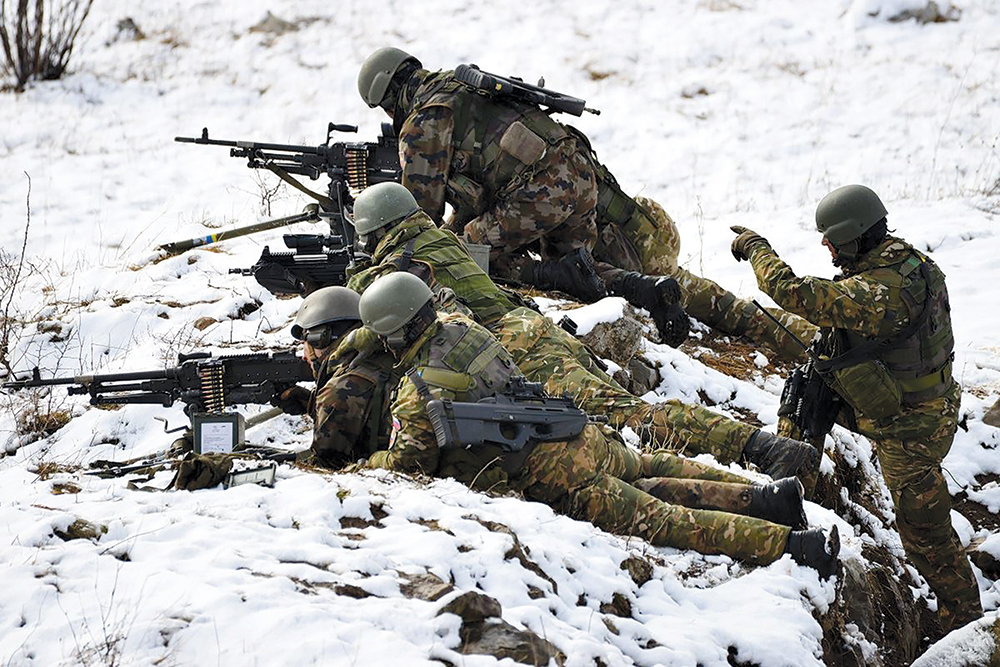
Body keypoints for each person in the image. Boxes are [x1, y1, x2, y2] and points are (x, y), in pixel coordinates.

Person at [357, 271, 839, 573]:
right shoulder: (465, 330)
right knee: (652, 472)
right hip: (577, 431)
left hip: (555, 472)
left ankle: (794, 548)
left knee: (664, 520)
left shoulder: (417, 389)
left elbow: (406, 464)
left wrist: (366, 458)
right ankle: (768, 497)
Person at [346, 182, 820, 485]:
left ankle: (764, 449)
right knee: (622, 415)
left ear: (373, 232)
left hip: (509, 349)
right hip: (528, 327)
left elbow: (365, 328)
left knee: (631, 417)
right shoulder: (439, 239)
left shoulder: (392, 268)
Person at [730, 184, 982, 632]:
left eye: (831, 238)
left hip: (910, 430)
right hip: (924, 404)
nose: (825, 245)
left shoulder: (880, 293)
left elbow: (793, 293)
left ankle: (966, 627)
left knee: (927, 537)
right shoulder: (907, 261)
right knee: (807, 389)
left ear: (855, 235)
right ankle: (790, 493)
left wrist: (756, 248)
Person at [357, 47, 689, 346]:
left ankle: (552, 274)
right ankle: (646, 289)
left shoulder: (425, 118)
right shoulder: (459, 86)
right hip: (577, 171)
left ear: (387, 98)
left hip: (539, 192)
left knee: (460, 256)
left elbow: (420, 216)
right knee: (578, 271)